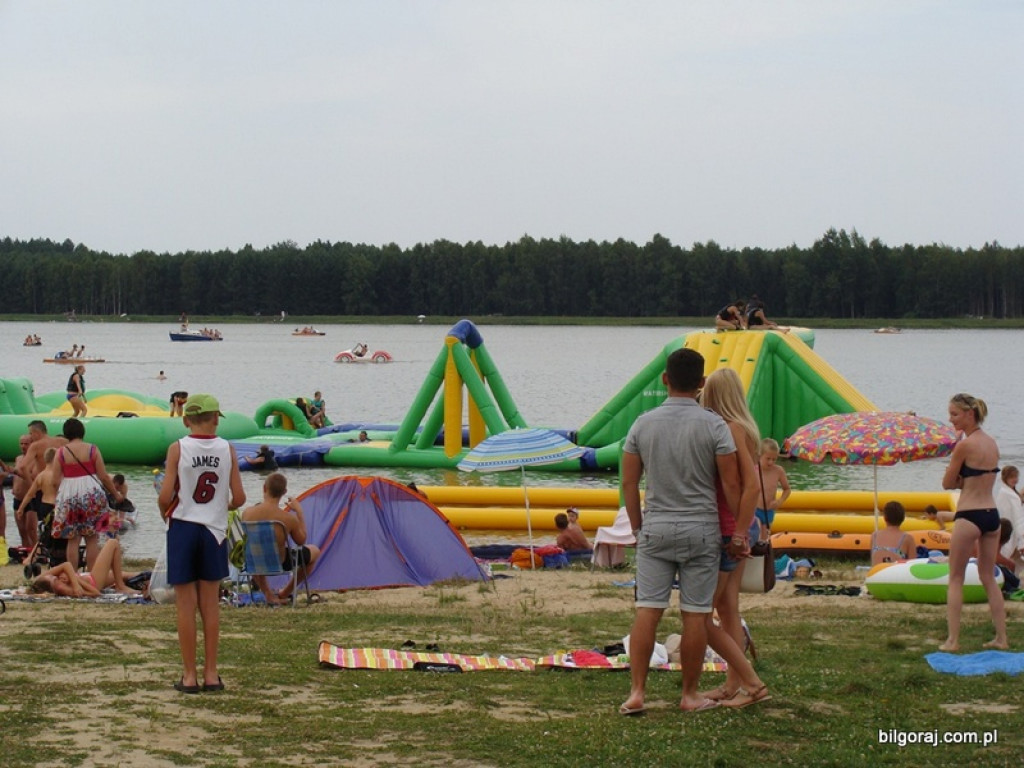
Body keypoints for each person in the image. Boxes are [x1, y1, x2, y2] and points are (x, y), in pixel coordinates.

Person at [619, 348, 743, 715]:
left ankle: (637, 692)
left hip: (656, 526)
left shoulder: (643, 424)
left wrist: (638, 526)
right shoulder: (714, 426)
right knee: (695, 614)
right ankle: (689, 694)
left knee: (648, 610)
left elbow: (628, 483)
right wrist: (740, 530)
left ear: (665, 380)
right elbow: (730, 484)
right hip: (701, 528)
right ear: (702, 383)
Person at [158, 394, 245, 694]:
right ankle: (211, 673)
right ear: (216, 418)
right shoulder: (227, 449)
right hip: (213, 531)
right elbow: (239, 497)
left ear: (186, 420)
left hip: (183, 525)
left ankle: (188, 676)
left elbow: (165, 495)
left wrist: (165, 514)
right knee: (210, 603)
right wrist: (221, 506)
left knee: (185, 604)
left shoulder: (178, 448)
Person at [697, 367, 771, 708]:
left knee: (700, 613)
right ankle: (733, 684)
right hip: (742, 523)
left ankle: (751, 684)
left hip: (731, 527)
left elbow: (750, 485)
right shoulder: (744, 427)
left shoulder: (729, 429)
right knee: (727, 608)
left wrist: (739, 533)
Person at [939, 393, 1008, 652]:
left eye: (955, 414)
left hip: (969, 514)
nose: (951, 419)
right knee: (988, 577)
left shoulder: (965, 446)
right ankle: (1001, 637)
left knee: (955, 578)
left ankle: (953, 640)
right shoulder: (992, 443)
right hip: (991, 514)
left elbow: (947, 483)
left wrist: (955, 477)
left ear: (970, 414)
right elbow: (981, 479)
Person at [49, 418, 123, 572]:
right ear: (82, 431)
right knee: (92, 539)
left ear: (66, 433)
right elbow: (103, 476)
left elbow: (55, 481)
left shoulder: (60, 452)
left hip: (69, 494)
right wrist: (116, 494)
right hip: (91, 493)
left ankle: (73, 574)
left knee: (72, 539)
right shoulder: (92, 449)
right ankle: (92, 574)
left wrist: (59, 497)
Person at [241, 472, 320, 604]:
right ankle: (285, 593)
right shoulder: (288, 518)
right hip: (280, 562)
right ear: (284, 492)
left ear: (264, 488)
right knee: (315, 551)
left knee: (256, 550)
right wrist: (299, 513)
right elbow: (301, 541)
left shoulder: (247, 513)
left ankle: (268, 595)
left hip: (254, 561)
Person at [28, 538, 139, 596]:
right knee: (112, 543)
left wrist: (72, 579)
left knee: (129, 575)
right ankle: (120, 586)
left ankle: (136, 581)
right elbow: (95, 593)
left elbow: (66, 565)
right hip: (94, 581)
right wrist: (75, 582)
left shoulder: (42, 580)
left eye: (55, 577)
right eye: (57, 580)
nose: (58, 577)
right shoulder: (62, 589)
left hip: (88, 576)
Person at [15, 447, 60, 547]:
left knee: (46, 532)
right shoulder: (59, 475)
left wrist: (21, 508)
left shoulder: (41, 475)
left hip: (44, 506)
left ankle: (44, 550)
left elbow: (30, 494)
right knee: (58, 533)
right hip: (57, 506)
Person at [994, 465, 1024, 576]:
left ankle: (1013, 578)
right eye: (1012, 477)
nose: (1015, 479)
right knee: (1009, 556)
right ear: (1005, 478)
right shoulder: (1007, 494)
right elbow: (1017, 517)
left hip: (1011, 529)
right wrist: (1021, 536)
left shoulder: (1010, 492)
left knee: (1016, 559)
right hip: (1011, 530)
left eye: (1016, 476)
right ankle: (1009, 578)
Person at [755, 438, 791, 531]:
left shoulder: (778, 471)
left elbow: (787, 489)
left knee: (765, 536)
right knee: (756, 533)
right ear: (760, 455)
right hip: (754, 509)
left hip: (769, 510)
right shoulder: (754, 469)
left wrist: (779, 501)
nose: (771, 462)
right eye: (768, 459)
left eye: (774, 459)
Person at [11, 435, 37, 550]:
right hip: (17, 498)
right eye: (21, 443)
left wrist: (18, 472)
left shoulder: (35, 460)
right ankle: (25, 552)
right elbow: (15, 476)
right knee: (22, 530)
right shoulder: (18, 458)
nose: (23, 446)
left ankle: (36, 552)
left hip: (30, 499)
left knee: (31, 529)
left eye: (26, 444)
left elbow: (33, 478)